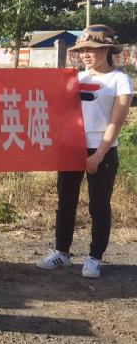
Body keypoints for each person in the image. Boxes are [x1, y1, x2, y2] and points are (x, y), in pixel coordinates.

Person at [37, 25, 133, 278]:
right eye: (82, 50)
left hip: (102, 149)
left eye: (92, 49)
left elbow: (116, 122)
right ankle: (62, 252)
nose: (86, 54)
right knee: (65, 202)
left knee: (99, 205)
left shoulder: (119, 80)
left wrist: (99, 154)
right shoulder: (75, 79)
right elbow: (57, 111)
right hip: (71, 147)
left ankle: (95, 257)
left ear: (107, 50)